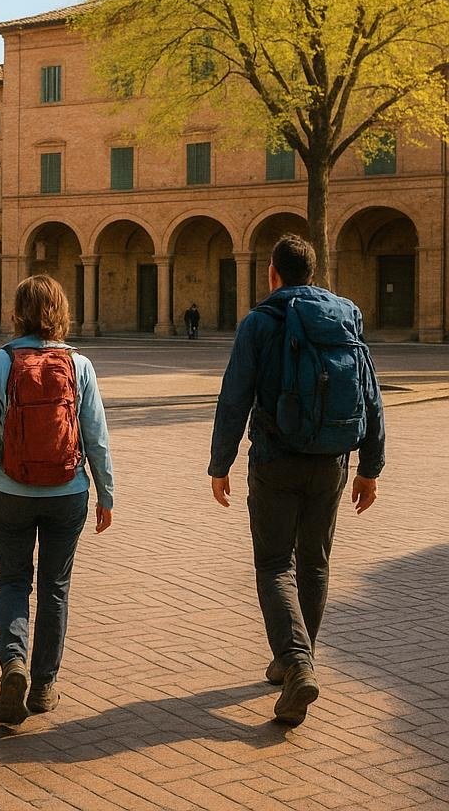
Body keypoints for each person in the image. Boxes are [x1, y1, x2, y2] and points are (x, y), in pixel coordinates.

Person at [208, 234, 385, 726]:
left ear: (273, 273)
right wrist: (371, 467)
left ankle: (297, 662)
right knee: (315, 565)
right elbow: (370, 393)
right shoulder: (345, 316)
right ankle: (292, 658)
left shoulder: (260, 321)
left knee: (272, 564)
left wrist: (219, 462)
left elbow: (235, 394)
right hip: (332, 461)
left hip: (275, 459)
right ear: (314, 272)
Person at [0, 274, 114, 727]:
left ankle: (13, 664)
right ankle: (44, 687)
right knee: (55, 588)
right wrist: (107, 491)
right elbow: (96, 436)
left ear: (18, 312)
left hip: (9, 491)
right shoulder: (79, 364)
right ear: (61, 313)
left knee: (11, 582)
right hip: (68, 492)